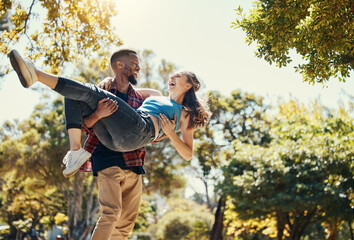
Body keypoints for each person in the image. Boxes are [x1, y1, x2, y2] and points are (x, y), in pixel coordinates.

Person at [9, 49, 211, 239]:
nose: (171, 78)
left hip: (140, 131)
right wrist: (106, 81)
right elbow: (118, 89)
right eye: (172, 76)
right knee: (76, 94)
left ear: (188, 85)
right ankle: (75, 150)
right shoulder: (155, 94)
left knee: (122, 221)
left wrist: (170, 134)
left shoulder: (186, 115)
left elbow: (187, 153)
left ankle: (35, 73)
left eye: (178, 76)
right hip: (119, 138)